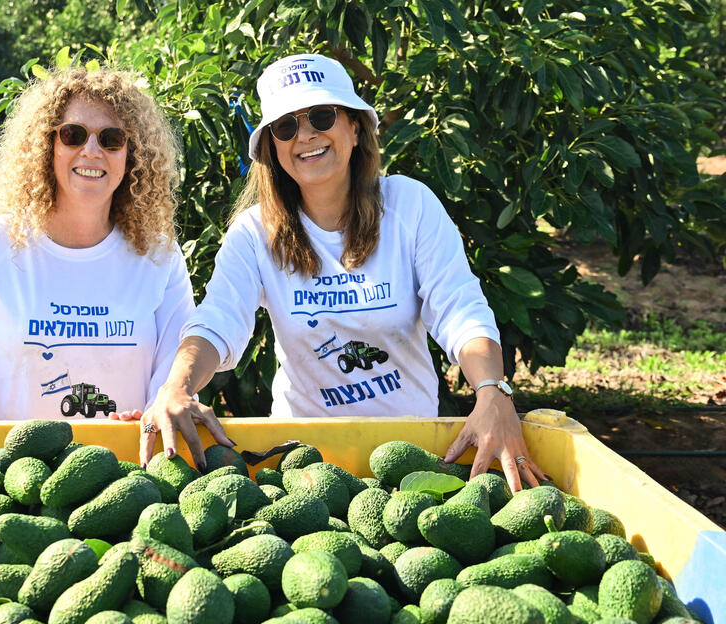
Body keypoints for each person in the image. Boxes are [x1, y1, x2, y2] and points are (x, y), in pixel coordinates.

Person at [140, 53, 547, 491]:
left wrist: (492, 389)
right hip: (303, 469)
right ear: (273, 149)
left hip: (409, 456)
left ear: (355, 127)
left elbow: (459, 309)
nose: (306, 135)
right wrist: (177, 386)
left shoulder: (410, 206)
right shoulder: (255, 233)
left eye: (321, 115)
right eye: (286, 126)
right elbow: (218, 320)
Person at [0, 67, 194, 421]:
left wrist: (156, 415)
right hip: (12, 473)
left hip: (127, 472)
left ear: (131, 155)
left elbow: (173, 378)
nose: (91, 150)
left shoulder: (158, 255)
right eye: (73, 135)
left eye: (111, 139)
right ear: (47, 145)